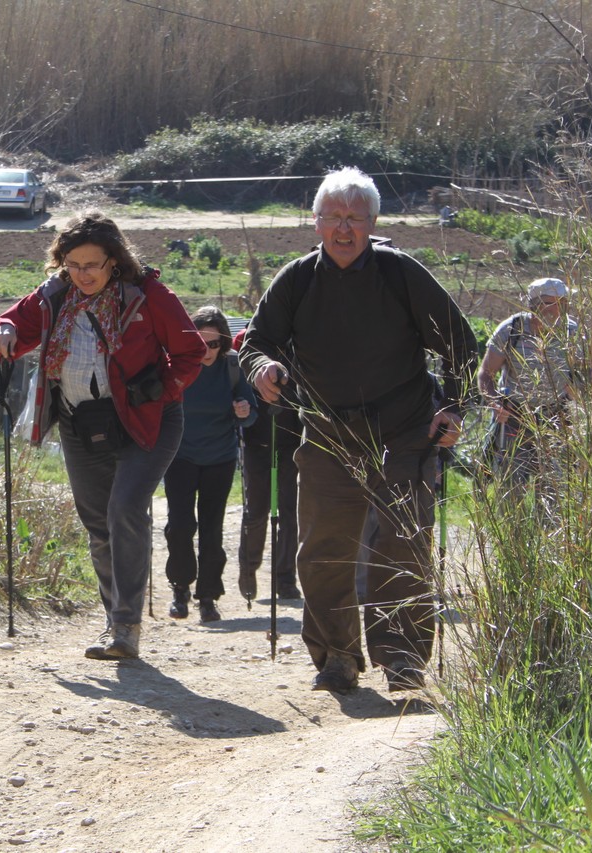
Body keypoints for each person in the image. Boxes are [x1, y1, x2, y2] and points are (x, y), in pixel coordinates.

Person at [239, 167, 477, 693]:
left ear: (372, 223)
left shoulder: (401, 274)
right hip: (327, 434)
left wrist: (454, 408)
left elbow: (460, 342)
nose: (343, 228)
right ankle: (338, 657)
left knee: (402, 546)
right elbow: (257, 341)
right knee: (323, 551)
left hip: (403, 433)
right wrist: (262, 368)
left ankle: (403, 660)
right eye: (333, 217)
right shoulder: (297, 279)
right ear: (316, 222)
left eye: (355, 218)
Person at [0, 211, 205, 660]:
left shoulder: (148, 296)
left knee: (124, 510)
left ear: (114, 261)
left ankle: (126, 626)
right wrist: (4, 329)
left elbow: (191, 352)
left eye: (92, 265)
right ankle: (113, 622)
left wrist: (160, 392)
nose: (82, 275)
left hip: (147, 422)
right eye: (73, 265)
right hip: (80, 423)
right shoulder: (53, 297)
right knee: (99, 525)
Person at [163, 307, 258, 623]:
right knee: (179, 526)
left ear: (224, 343)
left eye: (214, 344)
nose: (207, 350)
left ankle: (207, 597)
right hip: (179, 456)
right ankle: (180, 590)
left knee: (211, 529)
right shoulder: (177, 366)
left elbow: (251, 413)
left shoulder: (232, 367)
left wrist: (244, 410)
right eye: (201, 343)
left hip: (220, 458)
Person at [477, 277, 578, 504]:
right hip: (514, 417)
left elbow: (586, 374)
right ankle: (512, 527)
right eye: (552, 303)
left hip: (556, 418)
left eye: (563, 303)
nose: (559, 309)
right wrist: (495, 403)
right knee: (511, 488)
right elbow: (485, 374)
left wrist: (577, 395)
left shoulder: (573, 333)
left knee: (553, 491)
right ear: (534, 305)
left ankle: (547, 527)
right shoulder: (511, 330)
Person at [233, 328, 303, 603]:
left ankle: (285, 579)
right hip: (257, 442)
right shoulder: (249, 339)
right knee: (257, 511)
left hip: (291, 443)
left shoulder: (298, 344)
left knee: (289, 512)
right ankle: (248, 569)